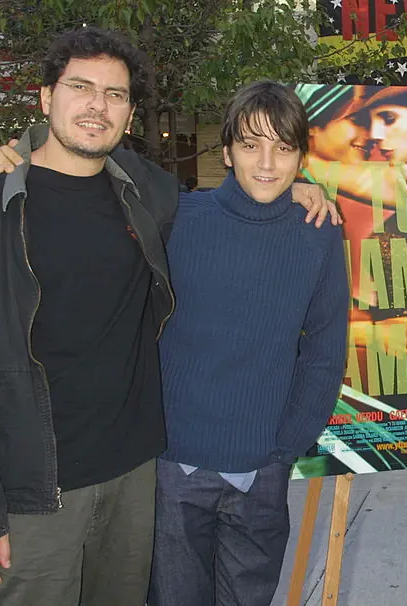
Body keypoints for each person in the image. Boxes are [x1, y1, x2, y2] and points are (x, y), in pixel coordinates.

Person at [0, 27, 339, 606]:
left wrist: (301, 189)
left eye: (115, 94)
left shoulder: (144, 195)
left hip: (133, 475)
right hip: (38, 482)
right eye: (80, 86)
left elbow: (256, 201)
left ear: (127, 113)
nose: (98, 105)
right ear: (45, 98)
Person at [148, 81, 349, 606]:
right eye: (251, 144)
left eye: (283, 148)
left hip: (261, 470)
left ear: (302, 156)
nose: (267, 162)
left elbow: (326, 349)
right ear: (228, 150)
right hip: (173, 467)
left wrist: (284, 448)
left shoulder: (318, 230)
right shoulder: (177, 220)